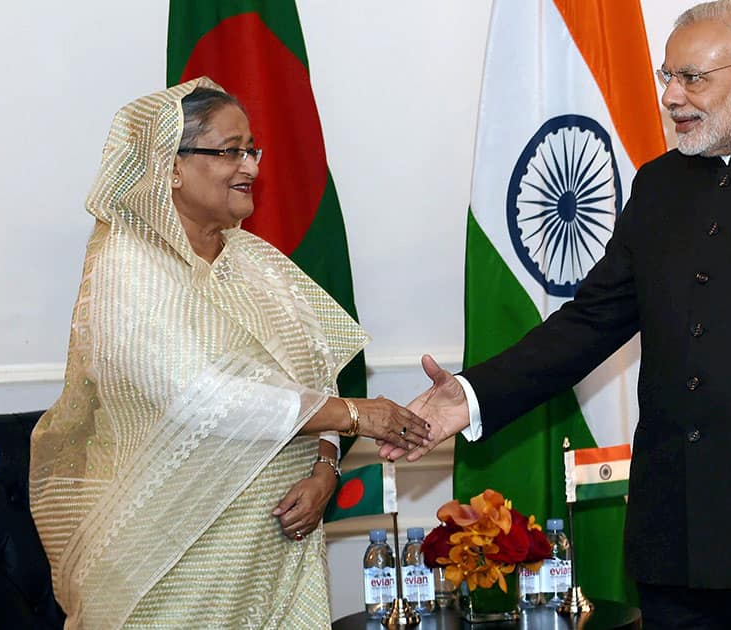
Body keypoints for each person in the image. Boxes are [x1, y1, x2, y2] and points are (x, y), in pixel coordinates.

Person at [386, 1, 731, 627]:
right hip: (672, 544)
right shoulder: (657, 186)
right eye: (666, 76)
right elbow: (589, 322)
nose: (672, 96)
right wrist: (468, 396)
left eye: (693, 78)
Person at [29, 78, 430, 629]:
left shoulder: (257, 262)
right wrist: (359, 415)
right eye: (228, 151)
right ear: (169, 165)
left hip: (276, 551)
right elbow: (195, 394)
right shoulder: (128, 266)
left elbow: (315, 375)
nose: (251, 168)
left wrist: (326, 467)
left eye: (251, 150)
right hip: (170, 560)